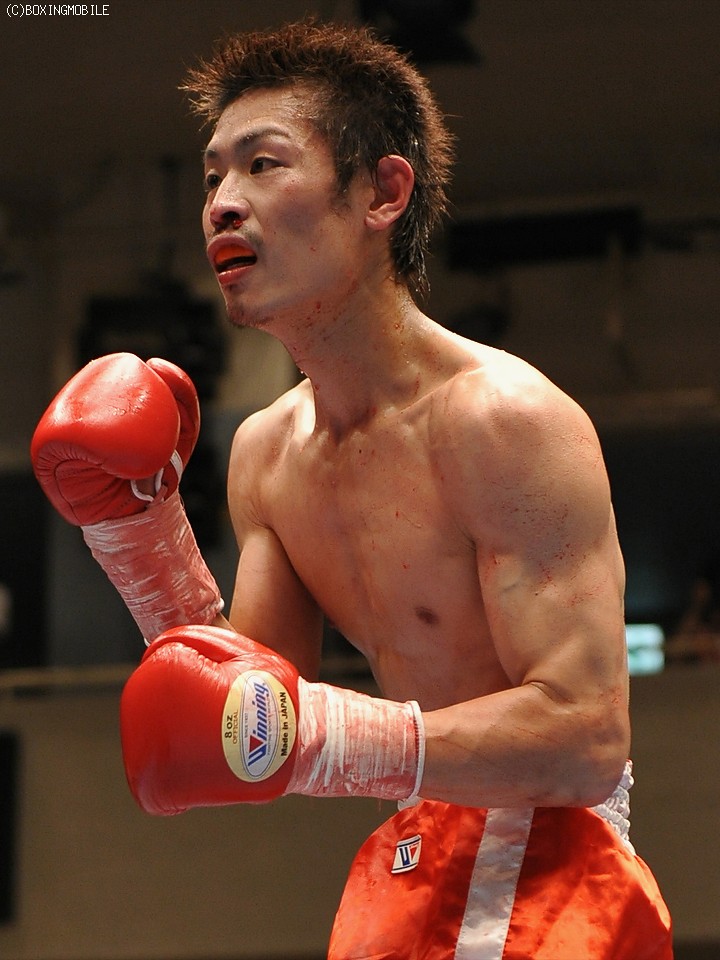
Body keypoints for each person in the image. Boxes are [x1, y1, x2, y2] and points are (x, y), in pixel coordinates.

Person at [31, 20, 673, 959]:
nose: (222, 204)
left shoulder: (502, 419)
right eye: (212, 177)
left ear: (383, 192)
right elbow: (251, 729)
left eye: (263, 165)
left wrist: (324, 736)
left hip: (552, 865)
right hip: (410, 855)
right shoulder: (267, 454)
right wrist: (137, 535)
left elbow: (586, 739)